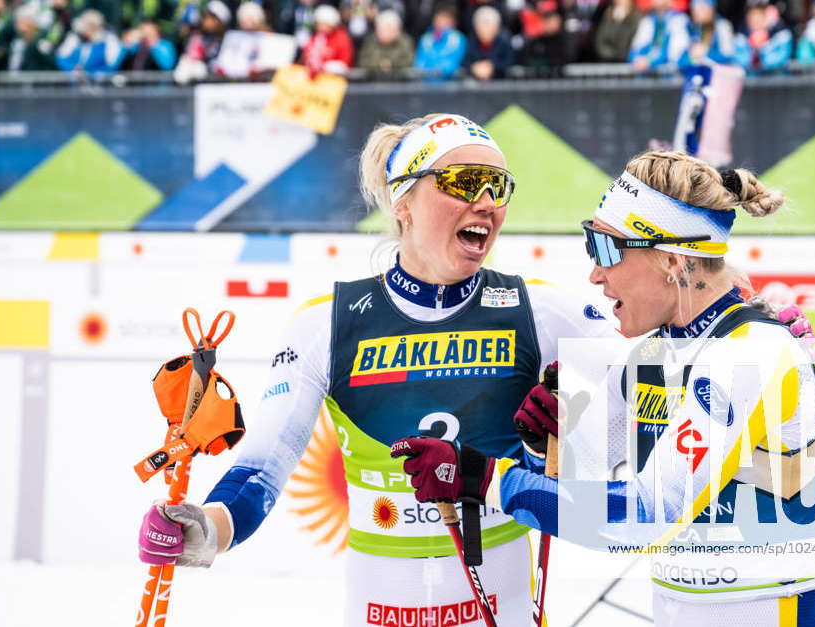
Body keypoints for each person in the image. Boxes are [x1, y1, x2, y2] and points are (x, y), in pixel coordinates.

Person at [136, 113, 616, 626]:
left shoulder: (540, 312)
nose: (486, 202)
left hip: (503, 609)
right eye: (463, 182)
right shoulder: (327, 324)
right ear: (401, 201)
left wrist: (578, 433)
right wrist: (205, 529)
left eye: (498, 186)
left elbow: (655, 413)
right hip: (378, 610)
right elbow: (261, 469)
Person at [392, 150, 815, 627]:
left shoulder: (751, 354)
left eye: (604, 249)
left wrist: (482, 479)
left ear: (671, 259)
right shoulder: (657, 353)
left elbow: (643, 515)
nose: (594, 274)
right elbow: (586, 486)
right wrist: (544, 447)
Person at [172, 0, 229, 83]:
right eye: (205, 17)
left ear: (219, 21)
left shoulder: (229, 39)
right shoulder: (197, 38)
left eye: (211, 17)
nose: (206, 21)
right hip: (198, 88)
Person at [55, 8, 124, 74]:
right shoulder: (75, 37)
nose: (86, 30)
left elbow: (112, 65)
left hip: (99, 83)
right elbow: (61, 58)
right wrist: (73, 70)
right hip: (73, 82)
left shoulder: (108, 39)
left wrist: (91, 74)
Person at [732, 0, 792, 73]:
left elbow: (781, 58)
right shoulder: (741, 37)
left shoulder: (781, 35)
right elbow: (739, 59)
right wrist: (753, 52)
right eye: (752, 17)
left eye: (759, 17)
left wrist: (761, 52)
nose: (756, 21)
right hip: (749, 81)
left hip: (776, 79)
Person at [628, 0, 689, 71]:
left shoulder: (679, 19)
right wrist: (637, 59)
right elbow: (637, 47)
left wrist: (651, 61)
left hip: (670, 75)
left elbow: (676, 53)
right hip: (647, 74)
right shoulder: (648, 20)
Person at [413, 2, 466, 80]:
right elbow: (419, 63)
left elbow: (454, 64)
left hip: (450, 87)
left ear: (453, 21)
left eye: (446, 18)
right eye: (440, 17)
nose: (442, 22)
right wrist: (430, 71)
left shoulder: (458, 39)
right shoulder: (425, 39)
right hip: (425, 86)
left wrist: (438, 71)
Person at [520, 0, 573, 76]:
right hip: (538, 81)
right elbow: (526, 61)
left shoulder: (564, 40)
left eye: (550, 18)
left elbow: (566, 59)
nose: (547, 22)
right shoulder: (536, 41)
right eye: (544, 19)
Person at [677, 0, 735, 68]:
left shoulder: (722, 26)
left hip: (717, 75)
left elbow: (728, 56)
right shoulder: (689, 27)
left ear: (712, 9)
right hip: (695, 74)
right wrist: (693, 59)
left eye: (702, 8)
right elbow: (680, 60)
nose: (698, 12)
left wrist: (706, 53)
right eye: (695, 8)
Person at [357, 9, 414, 77]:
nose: (386, 32)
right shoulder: (370, 42)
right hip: (373, 81)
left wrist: (392, 64)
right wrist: (380, 65)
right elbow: (363, 61)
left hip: (400, 81)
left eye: (389, 28)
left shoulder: (405, 42)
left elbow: (409, 61)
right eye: (382, 28)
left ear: (397, 30)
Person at [463, 4, 514, 80]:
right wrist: (474, 67)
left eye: (488, 25)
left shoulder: (505, 42)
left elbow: (510, 62)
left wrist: (492, 67)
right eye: (482, 25)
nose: (485, 30)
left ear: (497, 27)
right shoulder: (471, 41)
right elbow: (465, 62)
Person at [300, 3, 354, 74]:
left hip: (333, 76)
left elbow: (345, 61)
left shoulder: (341, 38)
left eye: (323, 24)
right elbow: (305, 55)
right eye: (318, 24)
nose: (320, 27)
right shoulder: (315, 37)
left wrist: (328, 66)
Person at [8, 3, 56, 70]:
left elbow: (51, 64)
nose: (19, 27)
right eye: (18, 23)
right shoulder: (17, 42)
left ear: (32, 24)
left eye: (23, 22)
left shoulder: (41, 42)